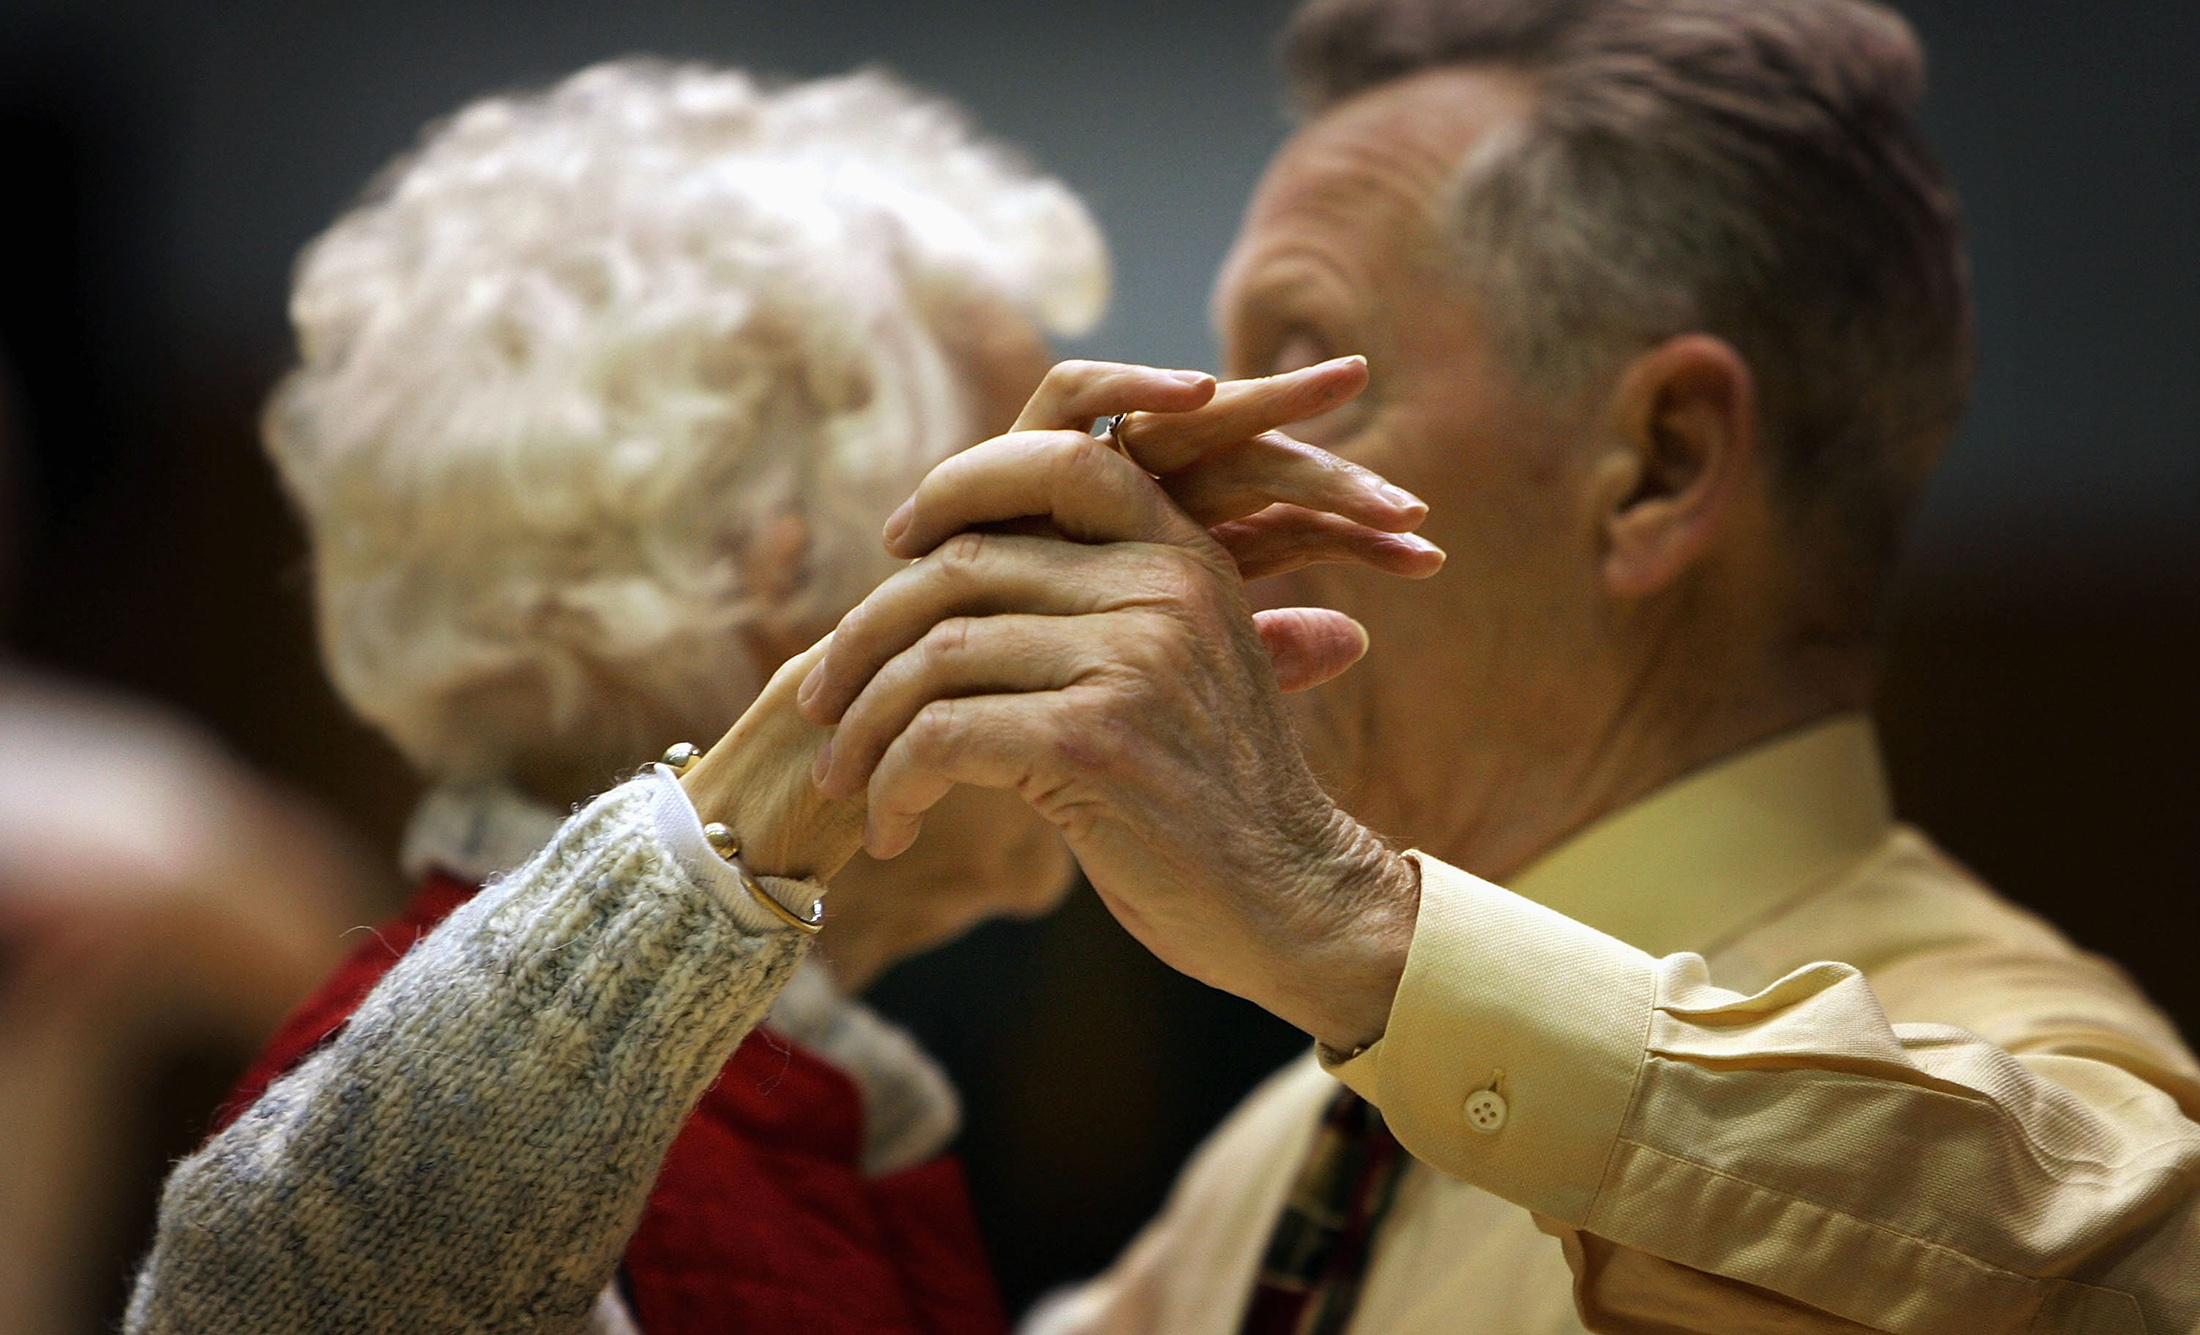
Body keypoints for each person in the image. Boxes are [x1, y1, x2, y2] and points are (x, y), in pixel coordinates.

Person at [779, 1, 2200, 1331]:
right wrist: (789, 911)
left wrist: (1345, 927)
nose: (1183, 508)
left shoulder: (2028, 1055)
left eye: (1299, 376)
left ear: (1659, 465)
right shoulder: (1301, 1143)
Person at [122, 59, 1439, 1335]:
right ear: (780, 577)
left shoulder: (818, 1103)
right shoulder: (431, 1117)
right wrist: (818, 747)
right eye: (1017, 505)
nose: (1110, 559)